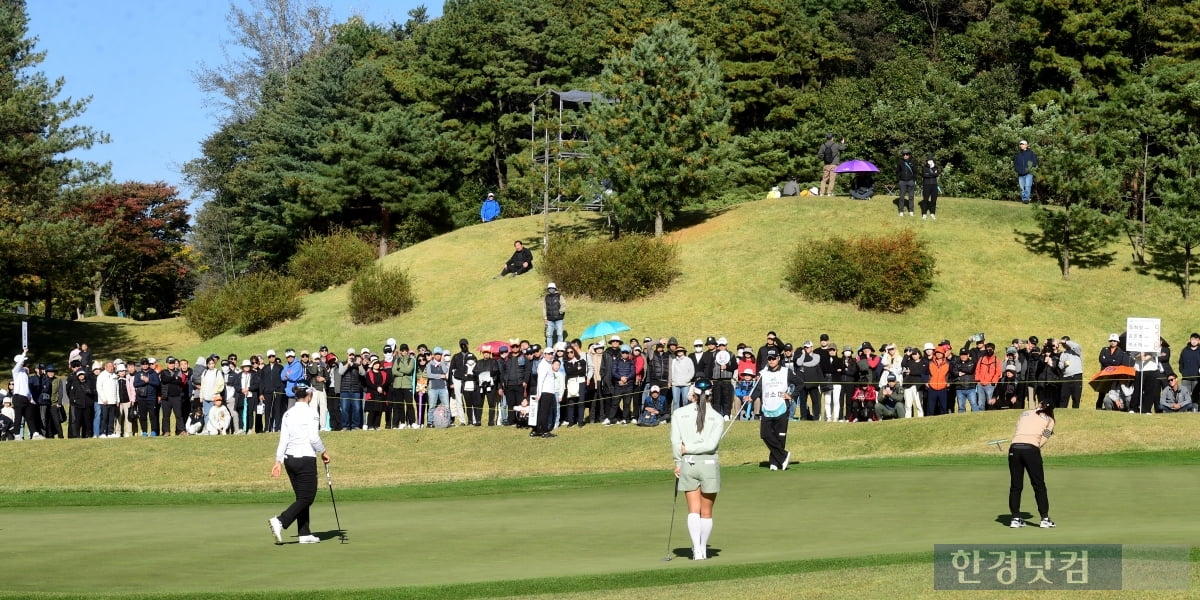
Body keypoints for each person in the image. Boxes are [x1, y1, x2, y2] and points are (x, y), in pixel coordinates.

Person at [269, 384, 329, 545]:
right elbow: (313, 438)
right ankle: (280, 521)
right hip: (305, 459)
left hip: (290, 460)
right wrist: (323, 452)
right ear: (308, 396)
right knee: (307, 497)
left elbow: (283, 439)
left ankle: (304, 533)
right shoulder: (311, 412)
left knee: (301, 497)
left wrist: (278, 461)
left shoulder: (288, 413)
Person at [670, 384, 725, 560]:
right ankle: (702, 548)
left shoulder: (679, 413)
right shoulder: (717, 417)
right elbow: (710, 445)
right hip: (709, 463)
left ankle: (697, 549)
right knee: (706, 511)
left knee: (694, 509)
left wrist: (679, 460)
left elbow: (676, 442)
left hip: (688, 463)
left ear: (692, 394)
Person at [1007, 400, 1056, 529]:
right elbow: (1044, 438)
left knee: (1015, 486)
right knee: (1039, 485)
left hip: (1014, 448)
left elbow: (1018, 429)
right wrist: (1033, 448)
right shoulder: (1050, 420)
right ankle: (1045, 518)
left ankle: (1015, 518)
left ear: (1039, 404)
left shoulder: (1025, 413)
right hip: (1031, 449)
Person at [755, 349, 791, 471]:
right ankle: (783, 455)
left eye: (773, 358)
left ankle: (774, 462)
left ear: (778, 359)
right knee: (765, 435)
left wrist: (791, 395)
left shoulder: (786, 372)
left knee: (779, 437)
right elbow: (758, 389)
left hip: (781, 407)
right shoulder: (763, 373)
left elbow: (800, 383)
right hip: (767, 408)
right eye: (769, 359)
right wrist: (751, 397)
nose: (771, 361)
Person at [543, 282, 566, 349]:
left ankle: (560, 348)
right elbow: (544, 308)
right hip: (549, 319)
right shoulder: (546, 297)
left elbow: (563, 304)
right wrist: (545, 318)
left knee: (559, 334)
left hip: (559, 319)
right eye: (549, 288)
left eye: (552, 288)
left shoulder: (559, 296)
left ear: (555, 288)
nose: (551, 289)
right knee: (549, 335)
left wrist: (560, 312)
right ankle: (549, 348)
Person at [896, 149, 916, 216]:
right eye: (904, 154)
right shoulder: (900, 162)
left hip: (910, 181)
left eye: (907, 154)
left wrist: (913, 180)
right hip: (902, 182)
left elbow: (915, 171)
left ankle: (911, 210)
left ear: (909, 155)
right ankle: (901, 211)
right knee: (901, 196)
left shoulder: (912, 161)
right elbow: (897, 171)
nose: (905, 155)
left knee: (911, 196)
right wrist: (899, 180)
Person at [920, 154, 940, 219]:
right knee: (925, 200)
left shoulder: (936, 167)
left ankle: (932, 213)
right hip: (926, 185)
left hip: (934, 185)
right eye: (928, 160)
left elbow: (937, 174)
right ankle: (924, 213)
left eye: (931, 160)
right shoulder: (924, 167)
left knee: (934, 200)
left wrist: (929, 173)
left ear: (933, 161)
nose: (930, 161)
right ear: (927, 161)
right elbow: (924, 175)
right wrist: (932, 174)